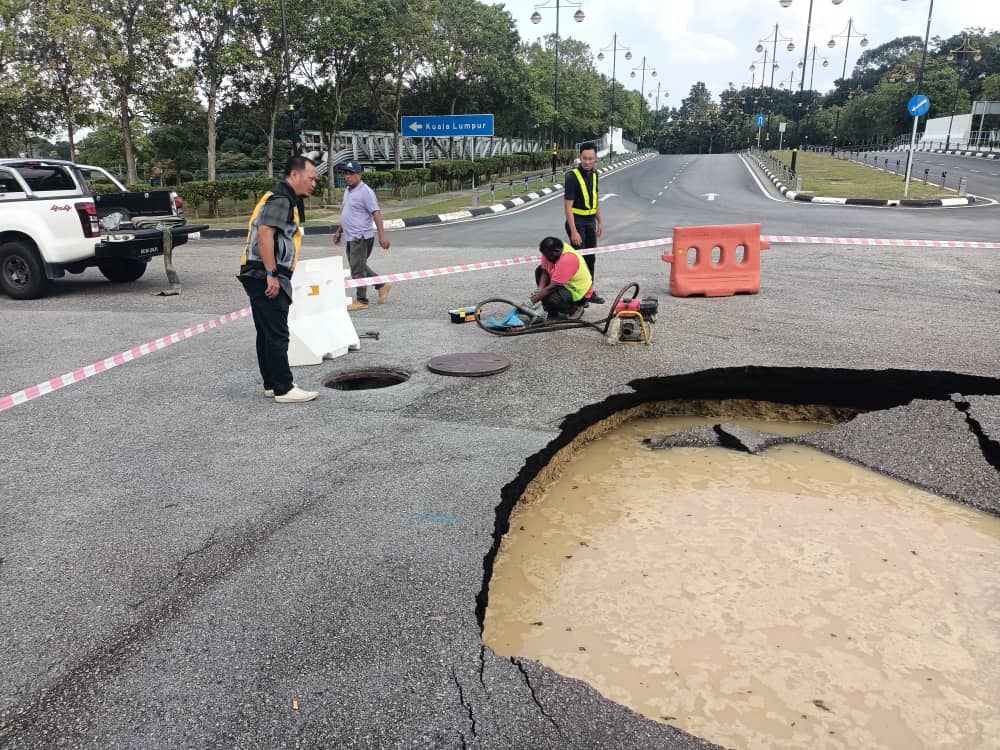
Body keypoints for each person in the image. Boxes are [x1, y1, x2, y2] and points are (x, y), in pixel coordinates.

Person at [237, 155, 318, 404]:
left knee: (266, 332)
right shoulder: (281, 199)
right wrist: (272, 273)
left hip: (255, 271)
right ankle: (284, 387)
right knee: (277, 333)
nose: (314, 184)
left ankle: (272, 383)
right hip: (265, 273)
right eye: (310, 178)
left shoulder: (279, 197)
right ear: (294, 175)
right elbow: (265, 234)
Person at [333, 160, 391, 311]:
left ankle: (362, 300)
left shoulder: (366, 192)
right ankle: (381, 285)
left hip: (361, 237)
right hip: (351, 236)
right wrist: (339, 230)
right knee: (358, 265)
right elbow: (348, 213)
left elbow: (376, 213)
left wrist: (382, 235)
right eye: (346, 173)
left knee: (357, 269)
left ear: (359, 175)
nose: (348, 176)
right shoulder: (347, 190)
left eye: (351, 174)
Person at [564, 141, 605, 304]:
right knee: (578, 261)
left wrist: (600, 222)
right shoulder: (572, 177)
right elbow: (568, 208)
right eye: (584, 158)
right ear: (579, 157)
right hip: (576, 222)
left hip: (590, 222)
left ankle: (589, 292)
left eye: (591, 158)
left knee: (590, 258)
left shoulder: (595, 174)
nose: (587, 162)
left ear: (596, 159)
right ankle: (578, 296)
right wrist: (573, 231)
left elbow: (595, 201)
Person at [531, 236, 594, 320]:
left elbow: (551, 288)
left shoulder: (567, 259)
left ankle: (575, 309)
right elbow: (545, 271)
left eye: (549, 256)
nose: (546, 258)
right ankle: (552, 310)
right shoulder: (549, 252)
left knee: (549, 298)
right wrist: (539, 289)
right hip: (565, 282)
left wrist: (530, 302)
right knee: (539, 270)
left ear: (557, 251)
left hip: (578, 290)